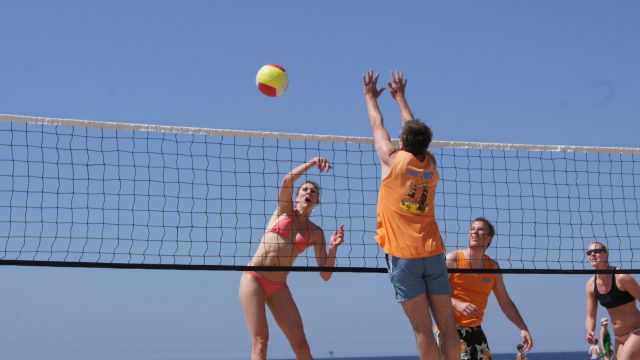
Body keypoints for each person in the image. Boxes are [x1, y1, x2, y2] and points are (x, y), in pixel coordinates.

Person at [363, 69, 459, 360]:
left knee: (423, 330)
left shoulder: (392, 161)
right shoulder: (430, 163)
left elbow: (377, 124)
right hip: (433, 253)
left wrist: (370, 97)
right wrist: (401, 98)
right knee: (448, 327)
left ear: (401, 143)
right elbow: (413, 130)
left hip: (404, 257)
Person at [238, 157, 345, 360]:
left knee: (301, 345)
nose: (309, 193)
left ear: (317, 201)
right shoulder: (284, 211)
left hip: (278, 286)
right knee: (261, 342)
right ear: (296, 197)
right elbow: (287, 180)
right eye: (304, 190)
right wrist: (313, 163)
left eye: (313, 192)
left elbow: (325, 274)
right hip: (254, 278)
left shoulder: (316, 233)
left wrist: (333, 249)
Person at [445, 217, 533, 360]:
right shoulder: (452, 259)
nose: (474, 232)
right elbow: (434, 293)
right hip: (449, 329)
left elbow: (505, 301)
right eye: (472, 229)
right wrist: (457, 304)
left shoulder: (493, 267)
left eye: (480, 230)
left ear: (488, 239)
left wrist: (523, 328)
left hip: (476, 330)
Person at [585, 241, 640, 360]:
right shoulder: (591, 285)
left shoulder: (621, 277)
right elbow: (590, 316)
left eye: (597, 251)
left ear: (606, 255)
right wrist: (590, 330)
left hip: (636, 332)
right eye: (589, 252)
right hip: (619, 338)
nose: (592, 254)